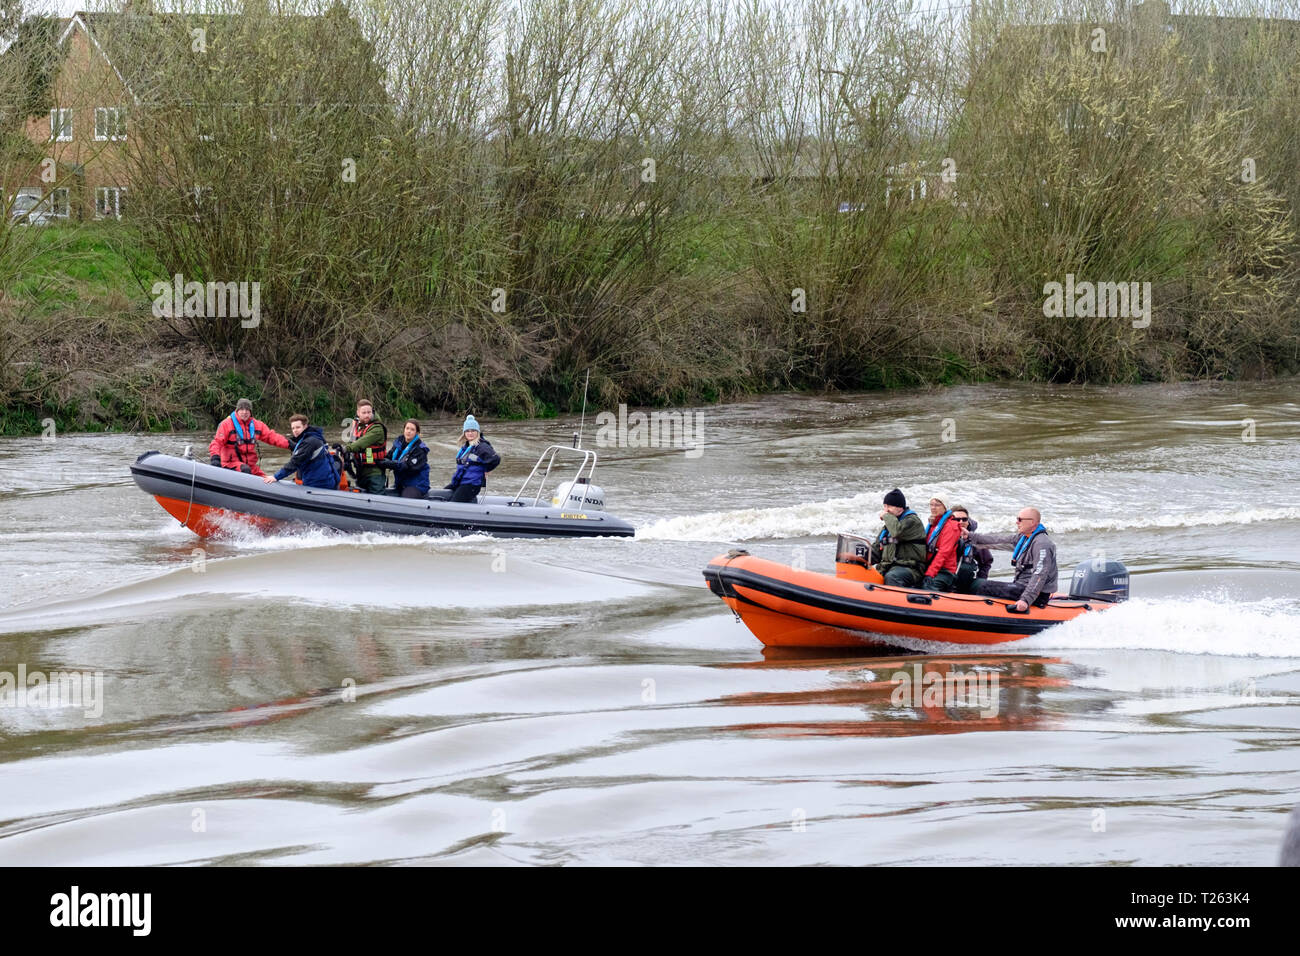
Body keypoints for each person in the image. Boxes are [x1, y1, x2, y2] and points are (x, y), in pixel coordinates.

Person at [962, 507, 1059, 611]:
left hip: (1037, 595)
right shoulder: (1023, 538)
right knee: (978, 583)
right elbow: (998, 540)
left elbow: (1039, 575)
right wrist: (970, 536)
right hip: (1020, 586)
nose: (1017, 522)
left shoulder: (1042, 544)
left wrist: (1025, 600)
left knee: (980, 585)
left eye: (1020, 519)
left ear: (1032, 522)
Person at [208, 398, 289, 477]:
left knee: (266, 480)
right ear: (237, 411)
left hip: (251, 466)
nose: (244, 412)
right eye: (242, 409)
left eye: (247, 410)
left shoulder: (257, 425)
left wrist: (289, 444)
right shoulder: (226, 425)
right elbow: (217, 442)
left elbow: (272, 437)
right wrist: (215, 457)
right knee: (245, 469)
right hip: (231, 464)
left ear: (250, 412)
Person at [262, 414, 340, 490]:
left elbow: (295, 462)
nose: (295, 431)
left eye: (298, 427)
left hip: (319, 484)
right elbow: (302, 448)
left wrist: (275, 477)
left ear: (305, 426)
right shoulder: (315, 436)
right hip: (325, 480)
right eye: (293, 428)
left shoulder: (309, 442)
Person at [872, 488, 927, 587]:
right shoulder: (889, 526)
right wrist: (859, 558)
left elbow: (897, 532)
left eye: (889, 506)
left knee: (892, 577)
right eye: (884, 506)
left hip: (910, 568)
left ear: (900, 508)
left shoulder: (912, 521)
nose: (886, 510)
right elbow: (876, 550)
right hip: (888, 567)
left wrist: (886, 516)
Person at [446, 414, 500, 503]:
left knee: (453, 503)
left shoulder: (481, 446)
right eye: (467, 431)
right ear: (464, 433)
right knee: (442, 494)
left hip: (471, 484)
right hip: (461, 482)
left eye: (473, 431)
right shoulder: (467, 446)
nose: (470, 433)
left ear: (477, 432)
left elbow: (495, 459)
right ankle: (471, 501)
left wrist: (487, 469)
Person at [342, 399, 388, 494]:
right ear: (358, 413)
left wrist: (346, 449)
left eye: (369, 412)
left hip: (375, 472)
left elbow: (360, 443)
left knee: (377, 499)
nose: (367, 415)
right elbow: (352, 442)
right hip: (361, 471)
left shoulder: (377, 428)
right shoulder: (358, 426)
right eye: (364, 412)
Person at [377, 419, 430, 498]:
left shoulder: (420, 449)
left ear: (417, 433)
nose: (409, 431)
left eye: (412, 430)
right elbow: (388, 457)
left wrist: (389, 464)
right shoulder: (399, 443)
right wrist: (377, 460)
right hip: (400, 484)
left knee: (406, 499)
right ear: (404, 430)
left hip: (416, 485)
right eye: (407, 428)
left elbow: (408, 467)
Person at [950, 505, 994, 593]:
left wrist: (981, 577)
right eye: (957, 520)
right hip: (946, 580)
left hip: (967, 581)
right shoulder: (943, 537)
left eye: (964, 519)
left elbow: (986, 562)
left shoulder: (975, 539)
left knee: (984, 585)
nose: (961, 522)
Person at [921, 497, 962, 592]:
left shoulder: (952, 527)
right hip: (929, 566)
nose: (933, 508)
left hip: (945, 571)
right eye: (931, 505)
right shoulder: (932, 524)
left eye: (937, 505)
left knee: (928, 587)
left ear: (945, 507)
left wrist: (930, 573)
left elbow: (943, 553)